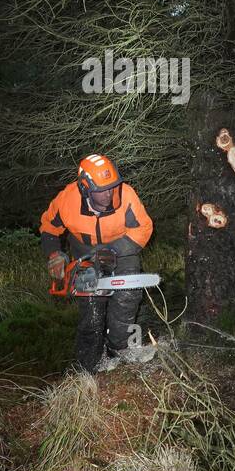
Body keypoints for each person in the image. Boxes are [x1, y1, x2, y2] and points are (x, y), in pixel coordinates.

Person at [40, 154, 154, 372]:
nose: (108, 194)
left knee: (128, 296)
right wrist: (54, 254)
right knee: (91, 310)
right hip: (84, 253)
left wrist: (114, 249)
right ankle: (90, 363)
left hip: (123, 251)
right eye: (101, 190)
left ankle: (121, 347)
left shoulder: (127, 195)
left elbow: (143, 229)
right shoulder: (67, 200)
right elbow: (48, 228)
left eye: (111, 188)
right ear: (85, 187)